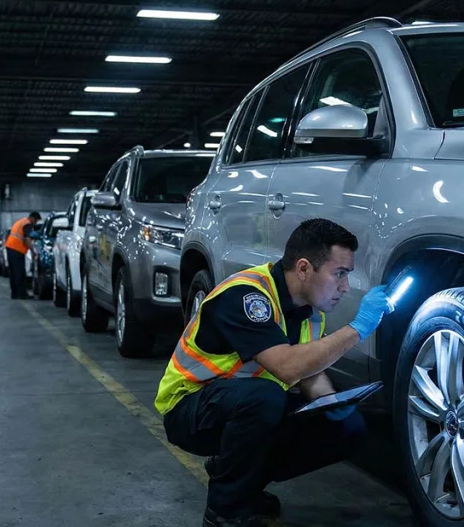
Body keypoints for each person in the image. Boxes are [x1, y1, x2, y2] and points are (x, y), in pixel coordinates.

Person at [154, 219, 393, 527]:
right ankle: (224, 511)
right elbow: (286, 366)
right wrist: (358, 329)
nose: (345, 287)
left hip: (243, 406)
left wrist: (332, 402)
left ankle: (244, 484)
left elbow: (308, 373)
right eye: (340, 274)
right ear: (304, 268)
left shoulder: (310, 312)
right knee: (264, 398)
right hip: (188, 407)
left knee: (349, 429)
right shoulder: (246, 296)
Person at [4, 211, 41, 299]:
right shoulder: (27, 224)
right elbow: (27, 239)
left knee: (13, 272)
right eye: (35, 221)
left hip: (10, 247)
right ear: (32, 218)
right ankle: (22, 294)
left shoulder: (21, 221)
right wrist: (33, 251)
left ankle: (14, 294)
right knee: (20, 272)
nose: (35, 223)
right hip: (17, 249)